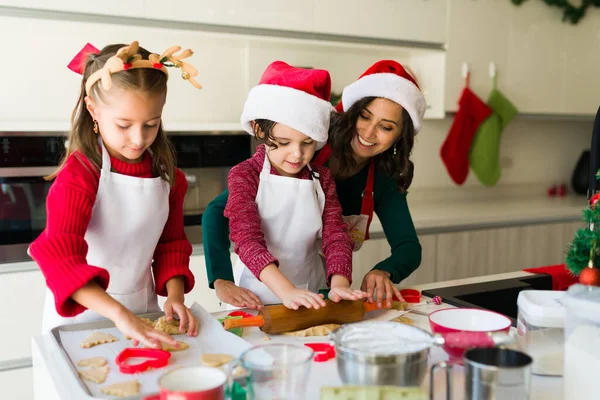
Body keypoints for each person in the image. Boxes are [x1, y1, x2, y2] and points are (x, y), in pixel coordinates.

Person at [203, 59, 425, 310]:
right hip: (258, 290)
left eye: (386, 127)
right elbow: (227, 220)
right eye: (364, 116)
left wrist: (376, 274)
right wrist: (221, 278)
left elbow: (343, 237)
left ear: (400, 135)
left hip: (313, 287)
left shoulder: (369, 175)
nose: (369, 132)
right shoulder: (300, 142)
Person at [29, 41, 201, 348]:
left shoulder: (167, 177)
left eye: (151, 124)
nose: (138, 138)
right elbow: (59, 256)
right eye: (124, 125)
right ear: (93, 109)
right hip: (80, 322)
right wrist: (119, 315)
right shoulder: (80, 175)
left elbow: (170, 244)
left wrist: (175, 296)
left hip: (143, 313)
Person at [224, 61, 365, 310]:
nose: (297, 154)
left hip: (310, 291)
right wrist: (286, 291)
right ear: (258, 129)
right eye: (284, 141)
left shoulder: (322, 179)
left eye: (308, 142)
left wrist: (340, 284)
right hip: (255, 297)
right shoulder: (245, 175)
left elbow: (336, 236)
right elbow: (246, 239)